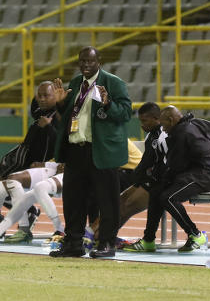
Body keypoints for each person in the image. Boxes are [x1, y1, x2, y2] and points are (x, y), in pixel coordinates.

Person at [49, 46, 132, 258]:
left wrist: (109, 103)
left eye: (90, 61)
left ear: (99, 62)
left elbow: (125, 114)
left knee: (107, 201)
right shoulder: (76, 83)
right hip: (77, 150)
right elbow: (71, 114)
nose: (86, 65)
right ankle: (73, 244)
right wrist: (60, 105)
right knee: (73, 200)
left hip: (102, 151)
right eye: (82, 61)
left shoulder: (113, 83)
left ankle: (106, 244)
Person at [124, 106, 210, 253]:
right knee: (156, 191)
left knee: (168, 198)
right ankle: (148, 240)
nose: (163, 129)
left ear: (171, 120)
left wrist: (160, 178)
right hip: (195, 173)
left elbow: (175, 165)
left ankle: (196, 234)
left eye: (164, 125)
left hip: (204, 176)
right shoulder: (191, 124)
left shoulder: (181, 133)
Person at [94, 102, 168, 251]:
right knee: (119, 201)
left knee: (126, 206)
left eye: (144, 121)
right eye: (140, 121)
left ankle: (104, 239)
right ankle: (99, 236)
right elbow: (146, 163)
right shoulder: (151, 136)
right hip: (149, 179)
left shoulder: (164, 135)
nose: (141, 125)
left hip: (162, 182)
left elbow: (167, 163)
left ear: (156, 118)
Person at [0, 81, 60, 237]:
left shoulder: (60, 116)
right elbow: (35, 105)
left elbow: (60, 143)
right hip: (19, 156)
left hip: (35, 163)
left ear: (56, 96)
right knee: (4, 185)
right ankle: (28, 211)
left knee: (7, 183)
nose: (42, 99)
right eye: (39, 95)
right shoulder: (40, 111)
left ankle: (24, 221)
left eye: (46, 95)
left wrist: (48, 127)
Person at [0, 164, 65, 244]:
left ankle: (61, 231)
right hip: (59, 172)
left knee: (39, 187)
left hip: (77, 176)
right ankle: (22, 230)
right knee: (25, 196)